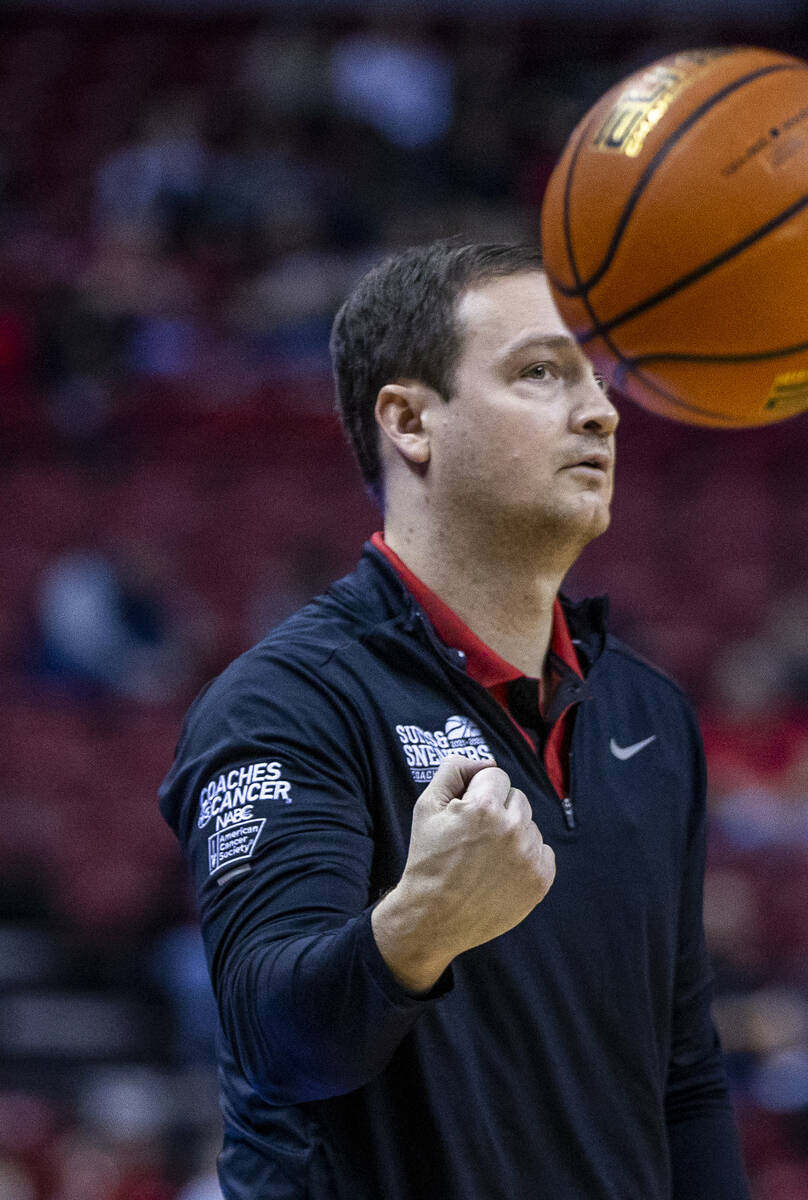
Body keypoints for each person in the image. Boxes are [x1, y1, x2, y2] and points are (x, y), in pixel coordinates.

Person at [159, 240, 750, 1199]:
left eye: (595, 382)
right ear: (409, 421)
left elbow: (682, 1078)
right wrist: (418, 929)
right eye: (539, 374)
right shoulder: (285, 704)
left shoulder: (649, 715)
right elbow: (274, 1042)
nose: (599, 411)